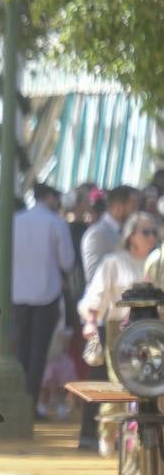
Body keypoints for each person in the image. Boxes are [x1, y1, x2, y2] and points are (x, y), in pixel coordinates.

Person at [80, 212, 158, 452]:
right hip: (122, 333)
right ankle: (109, 434)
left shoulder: (158, 262)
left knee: (153, 388)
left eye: (155, 231)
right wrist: (91, 323)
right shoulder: (114, 261)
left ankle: (145, 444)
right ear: (131, 235)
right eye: (146, 232)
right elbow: (97, 295)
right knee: (123, 384)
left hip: (155, 334)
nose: (152, 236)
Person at [77, 185, 139, 447]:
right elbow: (95, 276)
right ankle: (92, 435)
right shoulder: (97, 234)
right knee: (102, 380)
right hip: (107, 319)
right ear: (118, 206)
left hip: (131, 322)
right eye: (134, 203)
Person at [11, 183, 76, 417]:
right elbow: (67, 261)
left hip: (18, 293)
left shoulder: (16, 220)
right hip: (47, 293)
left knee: (22, 349)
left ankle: (20, 400)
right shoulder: (55, 222)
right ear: (49, 197)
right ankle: (30, 403)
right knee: (39, 352)